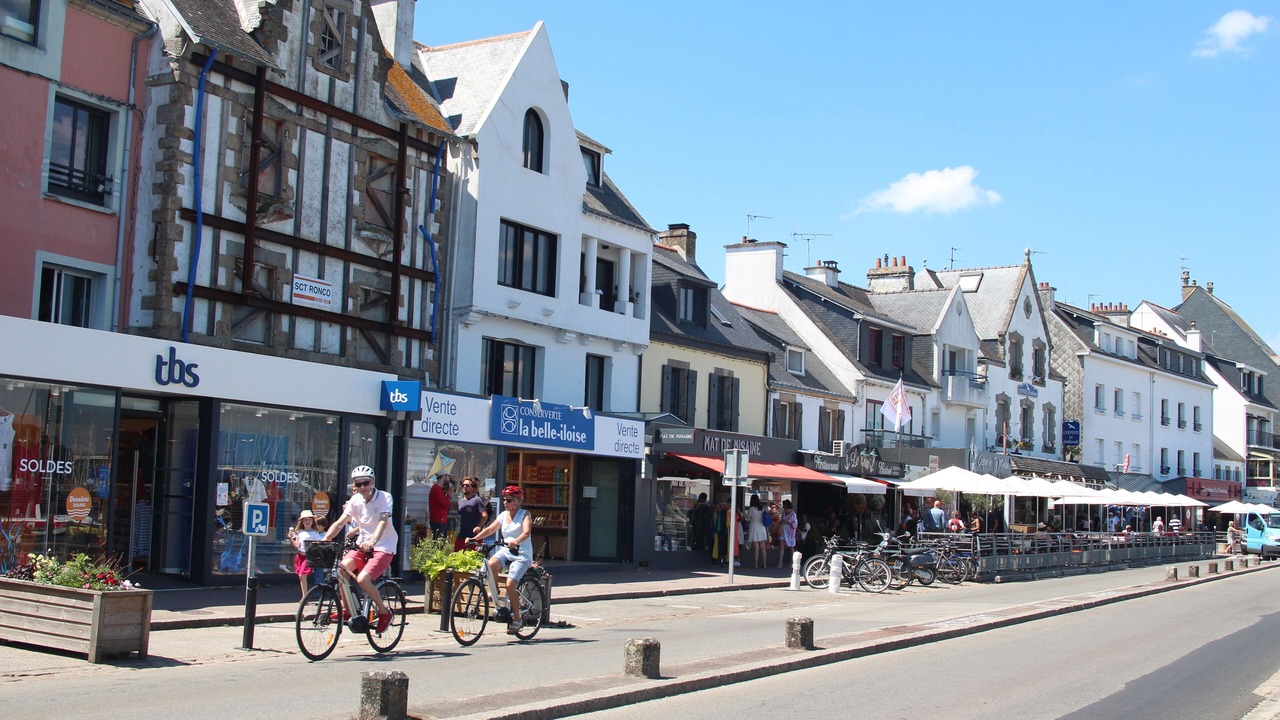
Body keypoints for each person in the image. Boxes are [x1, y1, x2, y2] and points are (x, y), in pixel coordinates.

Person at [320, 465, 398, 633]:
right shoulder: (355, 500)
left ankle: (385, 613)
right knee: (340, 570)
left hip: (383, 546)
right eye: (358, 484)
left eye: (366, 483)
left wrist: (373, 541)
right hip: (361, 544)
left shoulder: (385, 497)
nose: (362, 487)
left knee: (363, 579)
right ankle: (348, 610)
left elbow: (383, 522)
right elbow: (341, 522)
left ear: (373, 482)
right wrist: (325, 539)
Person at [466, 485, 534, 634]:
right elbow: (490, 529)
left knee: (510, 584)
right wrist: (474, 539)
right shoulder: (503, 515)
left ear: (517, 501)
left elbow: (526, 532)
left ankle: (517, 619)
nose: (505, 502)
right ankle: (494, 591)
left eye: (509, 500)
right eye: (504, 500)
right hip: (506, 550)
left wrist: (516, 540)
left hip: (521, 554)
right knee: (490, 565)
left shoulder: (524, 514)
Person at [288, 509, 322, 598]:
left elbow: (319, 544)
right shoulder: (300, 532)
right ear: (302, 521)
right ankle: (304, 595)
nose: (308, 521)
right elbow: (297, 546)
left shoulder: (315, 533)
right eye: (306, 519)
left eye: (310, 519)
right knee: (301, 576)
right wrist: (291, 538)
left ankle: (304, 597)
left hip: (308, 557)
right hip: (299, 557)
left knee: (302, 575)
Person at [454, 476, 489, 551]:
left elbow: (484, 515)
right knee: (456, 557)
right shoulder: (460, 502)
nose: (464, 487)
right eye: (463, 485)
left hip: (474, 536)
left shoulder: (477, 500)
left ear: (473, 488)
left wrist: (479, 526)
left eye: (467, 485)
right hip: (462, 535)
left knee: (474, 558)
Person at [744, 495, 768, 568]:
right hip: (762, 528)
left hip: (754, 527)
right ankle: (764, 564)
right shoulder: (762, 508)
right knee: (763, 548)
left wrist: (745, 516)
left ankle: (756, 564)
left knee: (756, 548)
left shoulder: (751, 509)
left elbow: (747, 518)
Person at [428, 472, 452, 539]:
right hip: (438, 520)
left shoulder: (440, 489)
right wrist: (449, 494)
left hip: (441, 520)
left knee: (441, 542)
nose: (449, 480)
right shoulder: (436, 489)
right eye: (448, 477)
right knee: (438, 542)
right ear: (444, 476)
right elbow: (444, 504)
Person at [777, 500, 798, 568]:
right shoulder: (784, 513)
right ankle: (780, 562)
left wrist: (788, 522)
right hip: (783, 531)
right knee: (781, 546)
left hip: (790, 533)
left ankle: (792, 561)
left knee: (791, 547)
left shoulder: (793, 515)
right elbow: (782, 520)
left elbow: (795, 525)